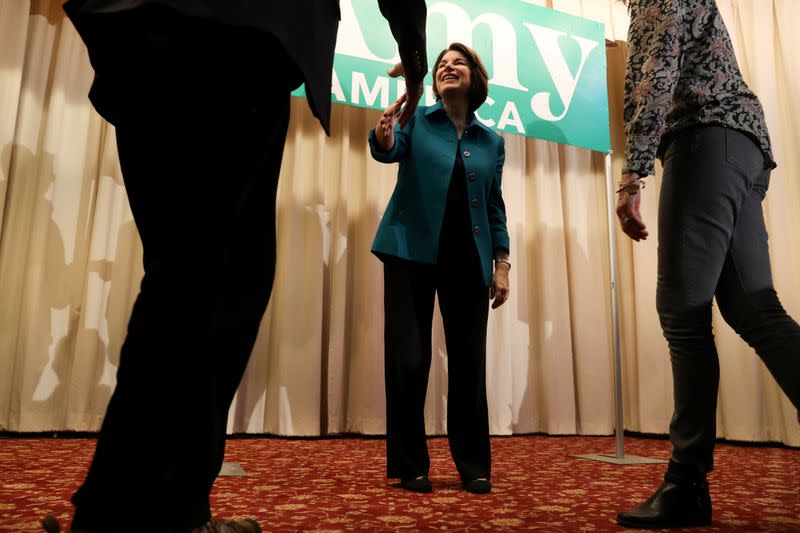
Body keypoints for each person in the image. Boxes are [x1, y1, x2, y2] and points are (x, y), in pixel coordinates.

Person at [45, 1, 428, 532]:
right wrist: (414, 49)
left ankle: (175, 509)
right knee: (217, 278)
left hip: (132, 36)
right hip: (232, 31)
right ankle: (119, 512)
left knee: (189, 272)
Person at [615, 0, 800, 528]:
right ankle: (685, 483)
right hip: (738, 148)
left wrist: (633, 174)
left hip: (704, 138)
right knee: (752, 307)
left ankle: (685, 485)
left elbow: (657, 73)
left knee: (682, 312)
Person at [368, 43, 510, 496]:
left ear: (476, 79)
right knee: (409, 360)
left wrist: (502, 263)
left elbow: (494, 206)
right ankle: (411, 466)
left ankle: (474, 466)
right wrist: (386, 134)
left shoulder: (493, 142)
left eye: (459, 62)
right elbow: (387, 151)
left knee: (470, 363)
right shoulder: (416, 119)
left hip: (469, 258)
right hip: (409, 251)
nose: (448, 67)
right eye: (442, 64)